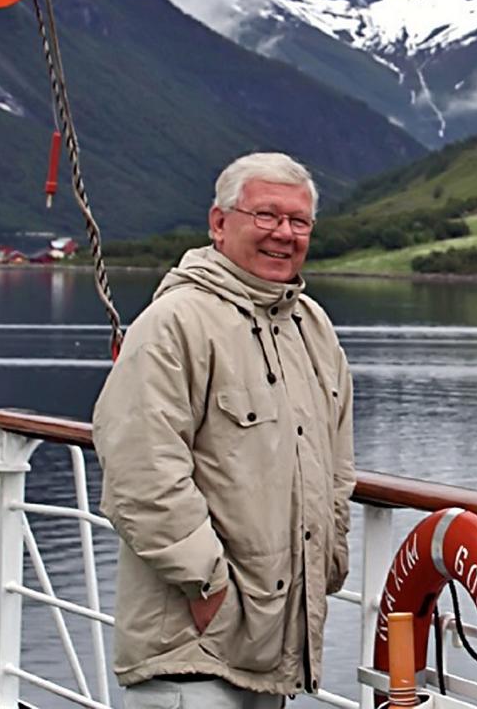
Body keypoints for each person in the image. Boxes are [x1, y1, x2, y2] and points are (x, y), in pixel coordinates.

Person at [93, 152, 355, 708]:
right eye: (266, 215)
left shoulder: (312, 328)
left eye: (299, 221)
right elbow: (142, 473)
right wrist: (208, 587)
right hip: (190, 648)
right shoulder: (175, 322)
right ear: (219, 223)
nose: (283, 234)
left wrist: (328, 562)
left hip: (275, 643)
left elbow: (336, 466)